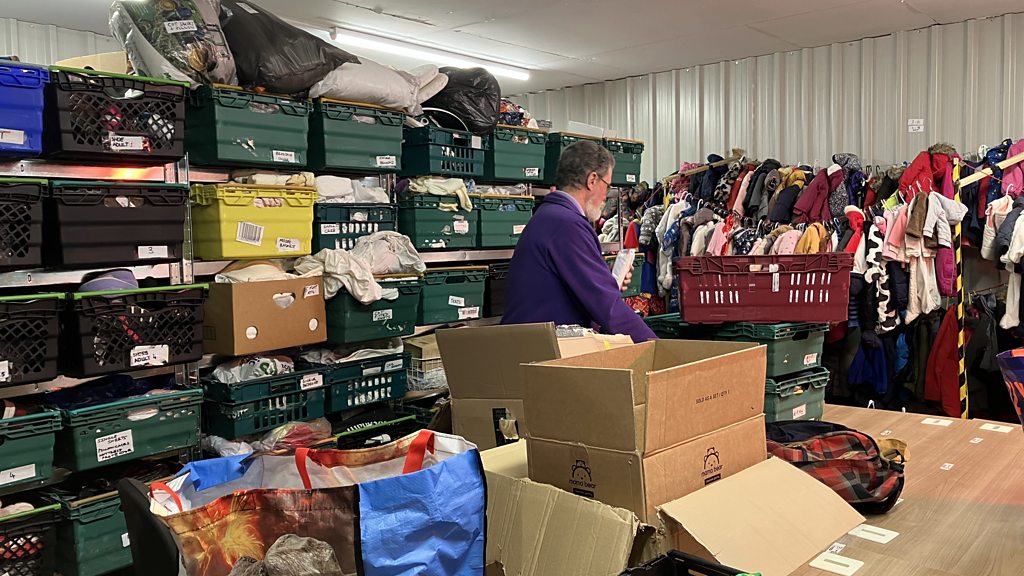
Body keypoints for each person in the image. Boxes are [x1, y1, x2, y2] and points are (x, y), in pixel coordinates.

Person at [501, 140, 658, 342]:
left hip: (531, 346)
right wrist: (662, 350)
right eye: (607, 186)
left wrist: (605, 280)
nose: (606, 196)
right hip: (540, 351)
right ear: (592, 180)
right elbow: (608, 310)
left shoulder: (550, 216)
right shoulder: (566, 225)